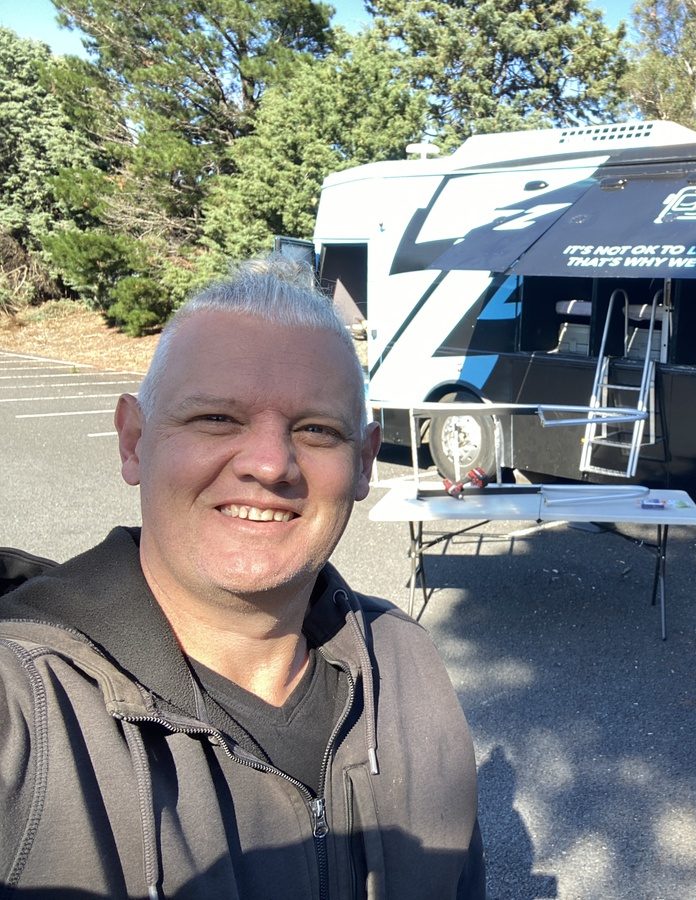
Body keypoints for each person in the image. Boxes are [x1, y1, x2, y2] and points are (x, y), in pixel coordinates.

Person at [0, 259, 484, 898]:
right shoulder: (25, 707)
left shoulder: (406, 663)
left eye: (315, 429)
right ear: (133, 441)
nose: (270, 464)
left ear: (364, 464)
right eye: (216, 419)